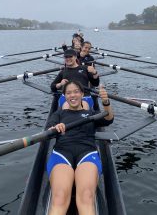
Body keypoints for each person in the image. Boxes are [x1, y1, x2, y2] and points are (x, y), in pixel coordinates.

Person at [46, 81, 114, 215]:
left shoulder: (91, 114)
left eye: (76, 91)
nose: (73, 95)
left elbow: (109, 119)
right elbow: (49, 129)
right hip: (62, 153)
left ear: (82, 94)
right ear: (64, 96)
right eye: (69, 92)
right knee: (59, 197)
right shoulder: (58, 114)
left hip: (87, 154)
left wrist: (106, 102)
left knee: (86, 196)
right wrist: (55, 128)